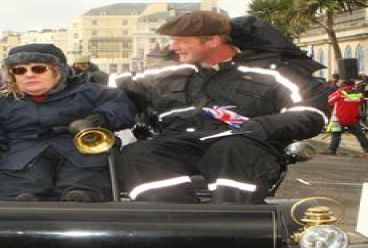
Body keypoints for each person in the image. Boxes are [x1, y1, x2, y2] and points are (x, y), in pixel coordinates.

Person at [111, 12, 328, 203]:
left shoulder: (276, 71)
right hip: (179, 142)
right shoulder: (162, 72)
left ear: (213, 40)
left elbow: (313, 113)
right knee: (138, 153)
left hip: (243, 143)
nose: (173, 47)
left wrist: (261, 126)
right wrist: (94, 112)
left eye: (181, 40)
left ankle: (231, 221)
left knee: (232, 150)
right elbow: (111, 93)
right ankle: (173, 219)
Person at [0, 43, 135, 202]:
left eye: (38, 69)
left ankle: (82, 196)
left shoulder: (88, 91)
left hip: (78, 146)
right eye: (20, 70)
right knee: (20, 181)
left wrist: (101, 118)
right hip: (23, 149)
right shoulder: (0, 100)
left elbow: (119, 104)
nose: (29, 74)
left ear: (58, 71)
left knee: (85, 177)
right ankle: (21, 201)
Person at [327, 79, 368, 156]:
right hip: (353, 118)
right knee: (360, 134)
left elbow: (330, 100)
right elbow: (361, 101)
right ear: (353, 85)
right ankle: (366, 148)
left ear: (343, 85)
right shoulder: (358, 94)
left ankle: (332, 150)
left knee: (336, 134)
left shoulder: (339, 93)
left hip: (338, 118)